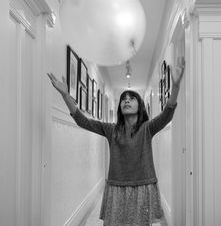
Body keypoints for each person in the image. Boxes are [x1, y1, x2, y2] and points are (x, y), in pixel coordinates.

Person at [47, 56, 185, 226]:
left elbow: (167, 113)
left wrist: (176, 86)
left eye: (132, 98)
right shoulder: (111, 129)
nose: (126, 100)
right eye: (124, 98)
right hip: (116, 187)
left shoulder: (148, 128)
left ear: (140, 106)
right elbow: (82, 121)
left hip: (143, 186)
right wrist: (66, 95)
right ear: (120, 106)